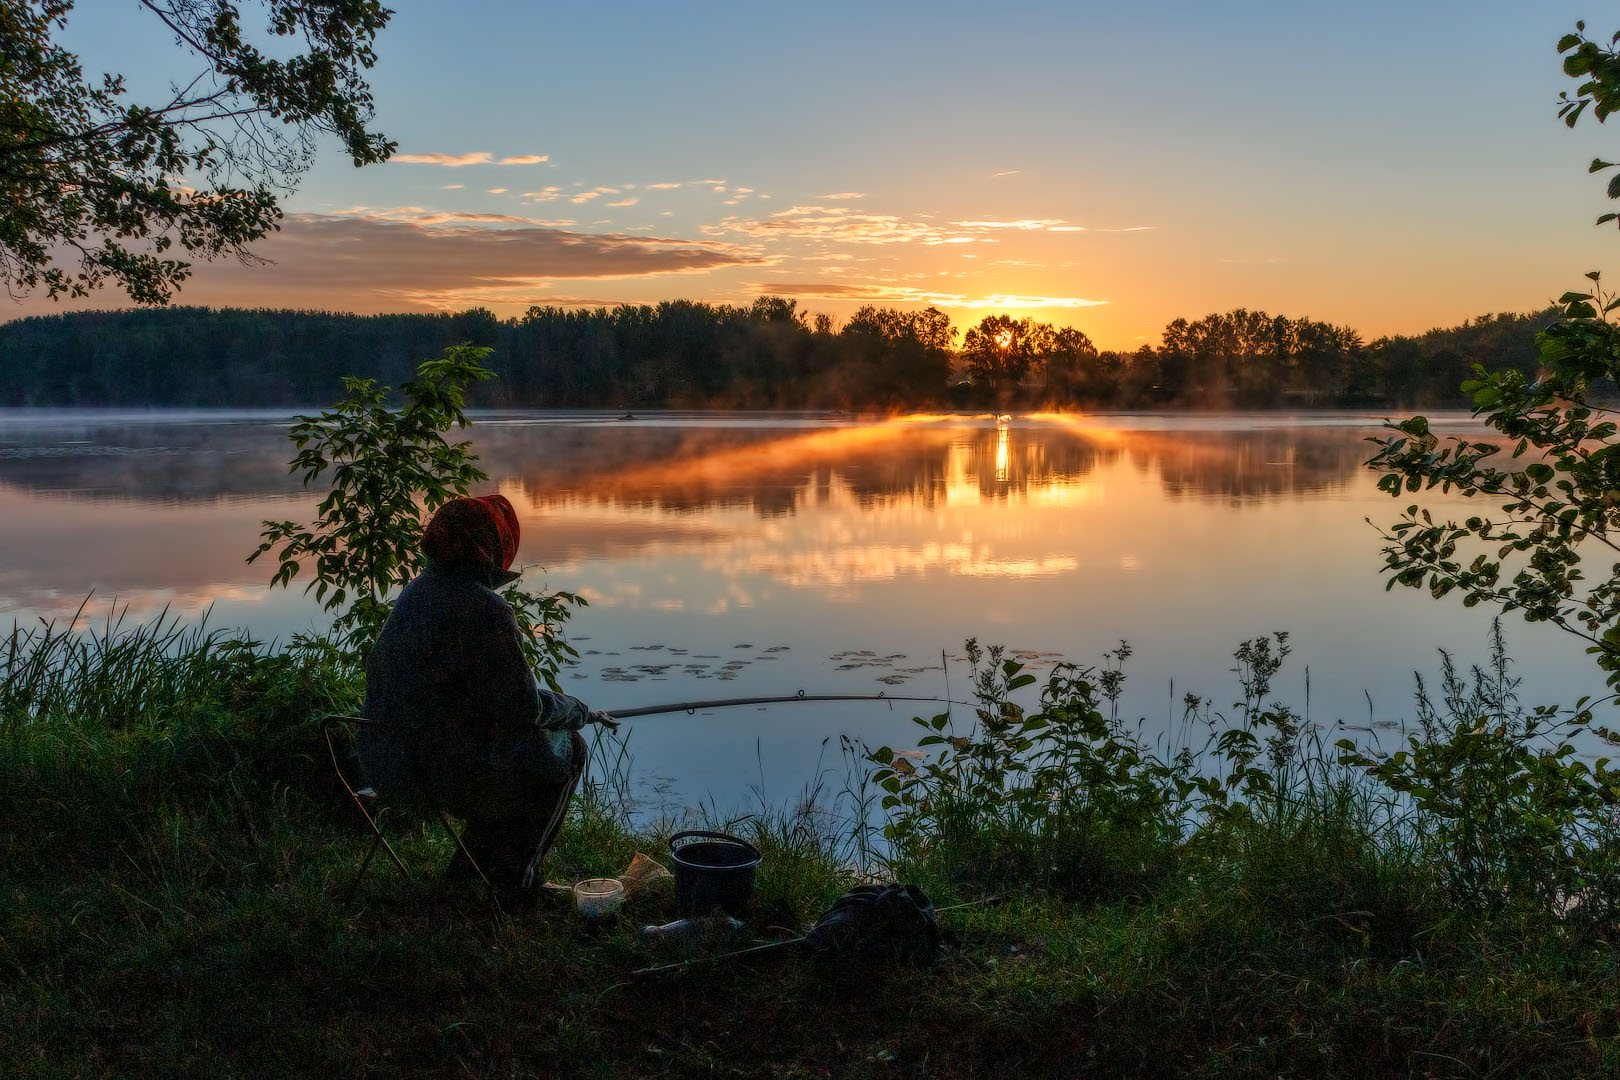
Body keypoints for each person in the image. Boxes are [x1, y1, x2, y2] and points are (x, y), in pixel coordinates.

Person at [357, 493, 611, 902]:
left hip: (385, 765)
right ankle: (515, 885)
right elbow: (522, 708)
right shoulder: (486, 610)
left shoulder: (415, 593)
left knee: (509, 752)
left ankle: (467, 877)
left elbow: (490, 698)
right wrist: (575, 710)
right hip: (435, 774)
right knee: (567, 750)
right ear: (492, 549)